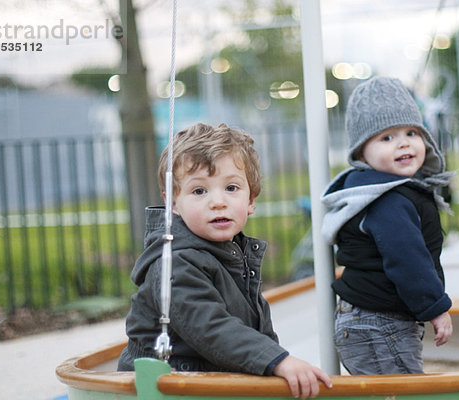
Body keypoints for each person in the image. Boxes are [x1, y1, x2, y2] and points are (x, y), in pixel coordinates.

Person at [118, 123, 331, 398]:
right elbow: (211, 327)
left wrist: (273, 362)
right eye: (199, 191)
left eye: (231, 187)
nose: (217, 201)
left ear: (251, 199)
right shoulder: (174, 261)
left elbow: (257, 329)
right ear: (172, 202)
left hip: (209, 380)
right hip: (168, 385)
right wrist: (276, 359)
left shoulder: (234, 255)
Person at [321, 77, 454, 375]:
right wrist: (436, 308)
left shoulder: (383, 190)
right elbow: (407, 258)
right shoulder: (387, 199)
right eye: (387, 138)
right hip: (379, 322)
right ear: (360, 154)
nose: (404, 142)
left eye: (411, 132)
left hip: (369, 319)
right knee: (400, 391)